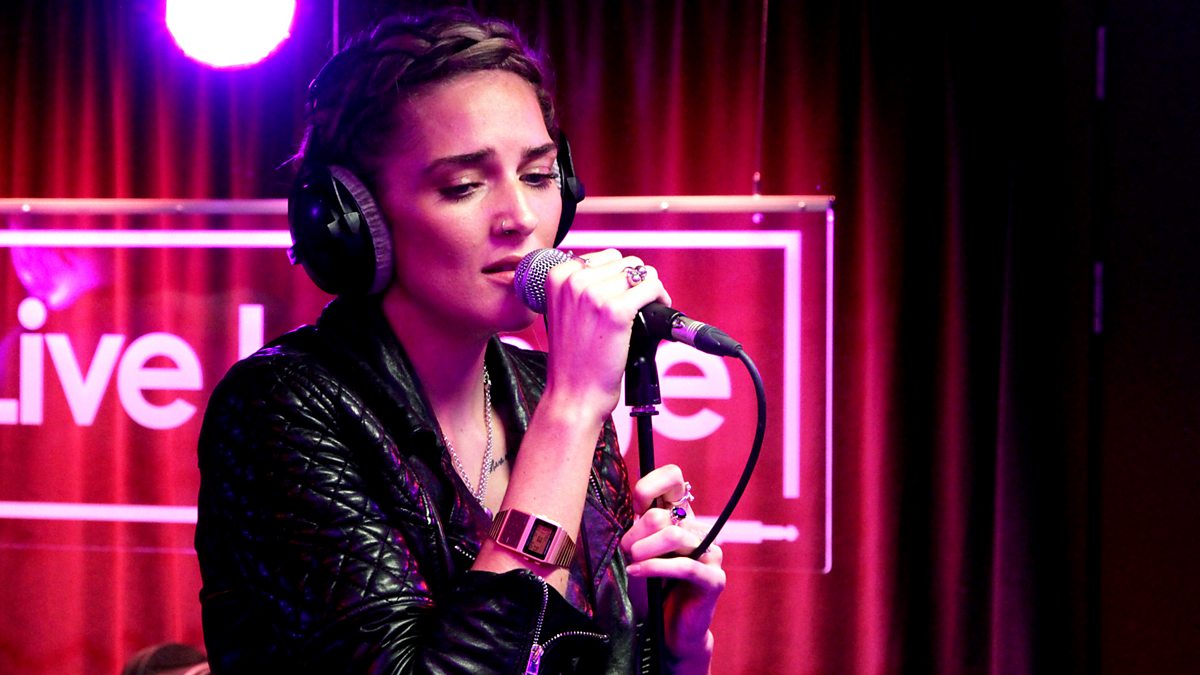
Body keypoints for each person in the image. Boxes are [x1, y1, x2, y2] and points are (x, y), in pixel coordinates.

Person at [195, 8, 724, 674]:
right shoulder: (281, 405)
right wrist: (570, 413)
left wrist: (670, 645)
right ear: (356, 221)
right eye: (464, 186)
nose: (521, 218)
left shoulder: (540, 387)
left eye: (538, 176)